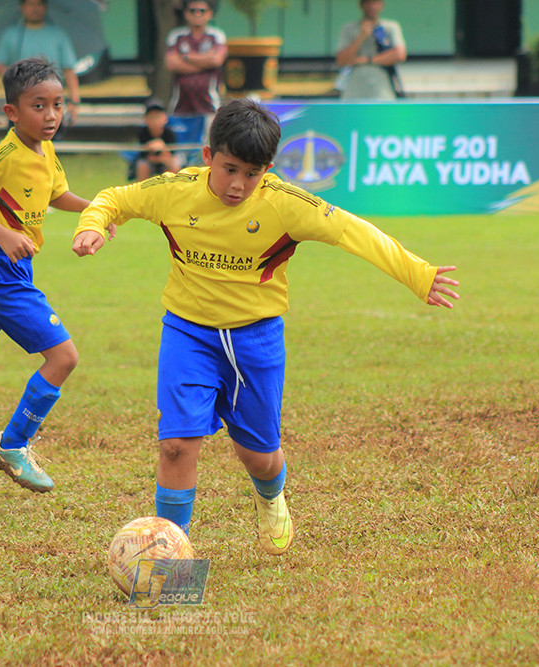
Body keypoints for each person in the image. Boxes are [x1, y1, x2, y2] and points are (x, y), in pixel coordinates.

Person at [71, 98, 459, 555]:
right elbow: (116, 197)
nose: (238, 185)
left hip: (255, 339)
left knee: (258, 454)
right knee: (176, 446)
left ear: (268, 169)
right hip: (188, 332)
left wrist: (418, 274)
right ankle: (170, 562)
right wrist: (93, 223)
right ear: (208, 156)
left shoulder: (286, 205)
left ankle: (271, 495)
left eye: (251, 174)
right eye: (229, 169)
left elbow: (355, 232)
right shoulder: (175, 191)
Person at [0, 58, 96, 494]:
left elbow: (58, 195)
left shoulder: (44, 148)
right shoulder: (4, 155)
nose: (51, 116)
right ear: (13, 112)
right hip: (0, 270)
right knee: (64, 357)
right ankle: (13, 444)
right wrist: (4, 234)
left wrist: (97, 209)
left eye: (58, 105)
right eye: (39, 106)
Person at [0, 0, 81, 125]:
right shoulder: (11, 35)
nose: (35, 8)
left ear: (45, 7)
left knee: (50, 143)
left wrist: (74, 101)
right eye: (30, 4)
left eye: (39, 4)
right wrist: (16, 78)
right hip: (21, 104)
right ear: (22, 7)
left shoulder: (58, 35)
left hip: (51, 105)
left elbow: (69, 70)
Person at [164, 0, 227, 119]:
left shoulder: (216, 36)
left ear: (210, 14)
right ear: (186, 13)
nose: (197, 14)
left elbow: (216, 60)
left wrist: (186, 57)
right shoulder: (176, 36)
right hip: (180, 105)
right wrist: (205, 62)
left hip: (210, 104)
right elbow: (172, 64)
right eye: (193, 10)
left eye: (202, 11)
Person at [334, 0, 407, 100]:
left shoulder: (390, 27)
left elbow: (400, 55)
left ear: (381, 5)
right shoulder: (349, 29)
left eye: (375, 2)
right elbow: (342, 60)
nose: (372, 6)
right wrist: (362, 36)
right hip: (355, 85)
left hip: (382, 83)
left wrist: (366, 60)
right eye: (368, 3)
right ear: (361, 5)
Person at [131, 97, 181, 181]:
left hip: (166, 159)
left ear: (165, 118)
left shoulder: (170, 133)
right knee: (142, 167)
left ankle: (171, 190)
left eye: (158, 117)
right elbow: (143, 155)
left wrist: (162, 147)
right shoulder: (142, 133)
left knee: (174, 166)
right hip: (149, 161)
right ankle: (143, 192)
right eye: (152, 117)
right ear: (146, 119)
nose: (155, 121)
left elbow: (171, 155)